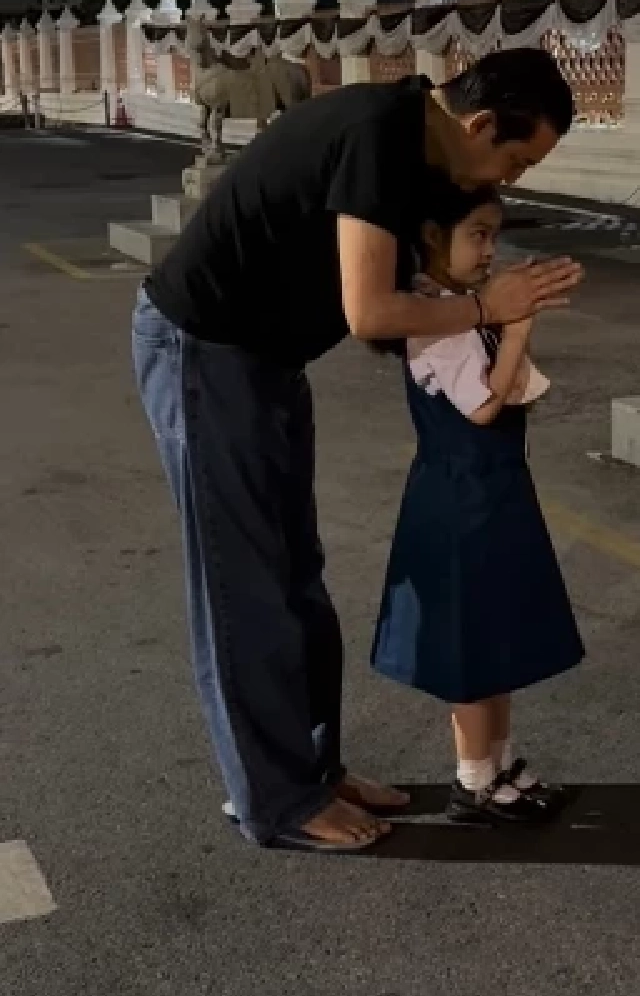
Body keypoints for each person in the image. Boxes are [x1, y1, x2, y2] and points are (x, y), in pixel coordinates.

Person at [132, 49, 582, 855]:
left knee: (296, 575)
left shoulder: (425, 149)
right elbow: (372, 309)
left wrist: (486, 306)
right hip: (204, 349)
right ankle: (272, 799)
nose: (506, 182)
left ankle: (311, 768)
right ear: (478, 125)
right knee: (246, 585)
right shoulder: (380, 134)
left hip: (264, 359)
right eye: (513, 161)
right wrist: (490, 305)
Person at [371, 181, 584, 824]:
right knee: (467, 640)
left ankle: (501, 763)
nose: (490, 249)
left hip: (495, 488)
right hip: (459, 496)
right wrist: (515, 325)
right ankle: (474, 779)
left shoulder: (467, 309)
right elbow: (487, 405)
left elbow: (519, 388)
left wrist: (507, 322)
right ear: (433, 239)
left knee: (497, 633)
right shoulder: (436, 319)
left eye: (494, 234)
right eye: (477, 235)